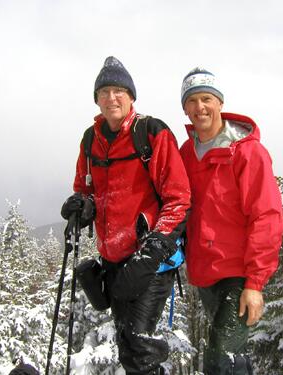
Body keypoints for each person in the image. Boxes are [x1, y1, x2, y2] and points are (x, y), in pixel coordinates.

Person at [61, 56, 191, 375]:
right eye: (104, 92)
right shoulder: (91, 140)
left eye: (119, 90)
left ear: (131, 96)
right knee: (127, 346)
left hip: (152, 257)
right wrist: (81, 206)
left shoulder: (150, 132)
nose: (111, 98)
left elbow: (179, 199)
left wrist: (150, 256)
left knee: (140, 346)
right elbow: (87, 189)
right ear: (97, 100)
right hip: (113, 259)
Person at [179, 67, 283, 375]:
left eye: (207, 99)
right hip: (204, 273)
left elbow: (266, 215)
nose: (200, 108)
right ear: (185, 108)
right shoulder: (186, 153)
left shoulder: (248, 152)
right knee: (233, 358)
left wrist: (255, 282)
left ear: (220, 103)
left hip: (238, 273)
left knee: (219, 357)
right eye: (193, 101)